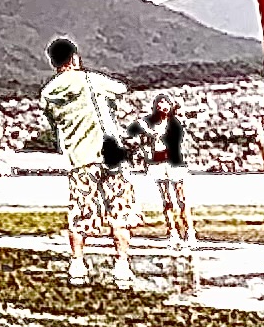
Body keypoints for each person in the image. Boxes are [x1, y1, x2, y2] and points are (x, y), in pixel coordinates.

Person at [41, 39, 139, 283]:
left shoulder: (48, 93)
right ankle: (122, 263)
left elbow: (54, 124)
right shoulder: (89, 79)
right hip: (110, 155)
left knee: (80, 211)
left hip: (79, 157)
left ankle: (77, 262)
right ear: (74, 57)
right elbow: (121, 89)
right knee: (119, 210)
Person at [146, 92, 197, 253]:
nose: (163, 106)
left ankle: (190, 233)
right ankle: (173, 233)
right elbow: (139, 133)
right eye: (160, 103)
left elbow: (176, 139)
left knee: (181, 199)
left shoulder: (175, 122)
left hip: (174, 162)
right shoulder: (151, 122)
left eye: (166, 102)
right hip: (158, 162)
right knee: (166, 200)